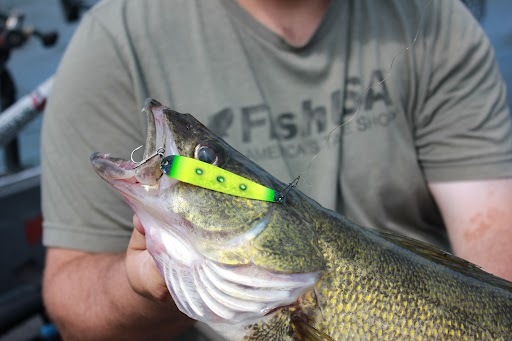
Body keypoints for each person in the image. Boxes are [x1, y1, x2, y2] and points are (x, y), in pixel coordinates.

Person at [41, 0, 512, 339]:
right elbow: (72, 307)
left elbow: (496, 248)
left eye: (205, 161)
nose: (192, 165)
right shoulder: (115, 39)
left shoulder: (435, 19)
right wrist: (140, 286)